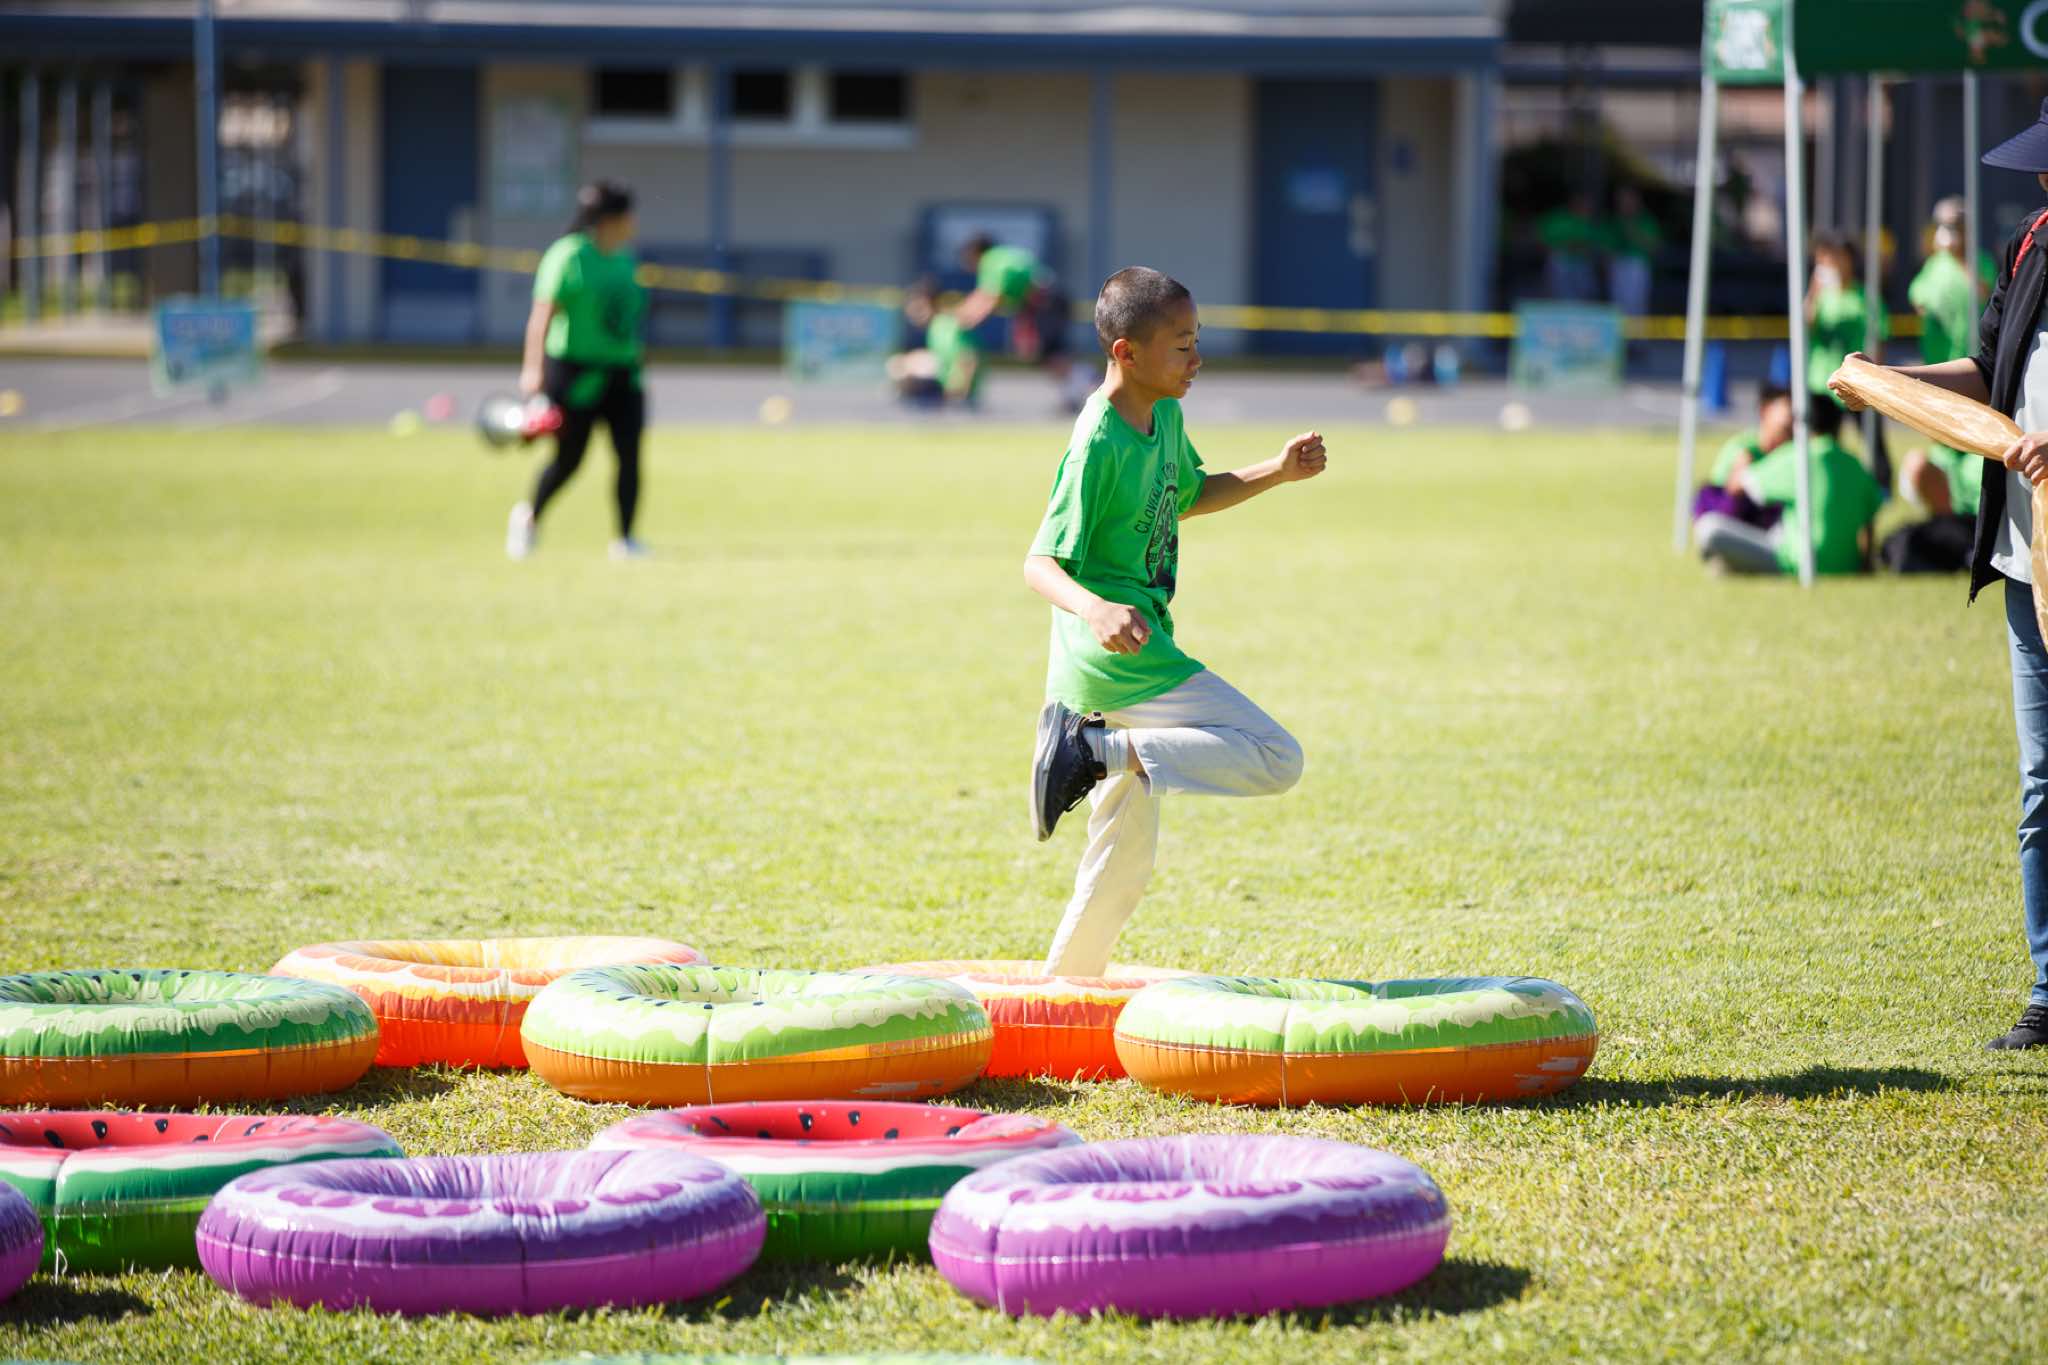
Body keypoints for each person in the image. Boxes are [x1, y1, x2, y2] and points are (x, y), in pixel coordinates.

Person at [1023, 267, 1324, 975]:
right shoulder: (1098, 440)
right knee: (1275, 755)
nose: (1197, 359)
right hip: (1117, 661)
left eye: (1197, 341)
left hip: (1131, 652)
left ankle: (1064, 992)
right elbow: (1038, 562)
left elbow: (1187, 495)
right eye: (1182, 345)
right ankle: (1092, 751)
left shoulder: (1163, 416)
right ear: (1127, 353)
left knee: (1121, 862)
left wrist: (1277, 471)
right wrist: (1095, 607)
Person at [1828, 95, 2048, 1049]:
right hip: (2028, 557)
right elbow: (1987, 368)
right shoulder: (2030, 245)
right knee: (2041, 785)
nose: (2042, 180)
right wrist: (1891, 383)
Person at [506, 180, 649, 562]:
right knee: (570, 459)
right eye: (628, 215)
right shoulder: (568, 256)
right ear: (609, 220)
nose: (634, 222)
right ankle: (529, 518)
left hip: (622, 373)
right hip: (574, 373)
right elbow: (541, 317)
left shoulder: (624, 258)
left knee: (629, 454)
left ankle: (626, 539)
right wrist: (532, 371)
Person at [1694, 395, 1883, 575]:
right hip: (1847, 565)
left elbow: (1739, 485)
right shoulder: (1855, 465)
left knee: (1709, 527)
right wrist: (1865, 564)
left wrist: (1743, 463)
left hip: (1797, 562)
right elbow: (1870, 519)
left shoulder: (1796, 457)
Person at [952, 234, 1091, 410]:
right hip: (1048, 300)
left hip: (1045, 303)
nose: (967, 264)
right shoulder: (1002, 256)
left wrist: (967, 319)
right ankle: (1076, 390)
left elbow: (991, 296)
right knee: (1046, 354)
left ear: (976, 253)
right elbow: (987, 295)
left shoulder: (991, 261)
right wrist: (966, 313)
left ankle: (1087, 382)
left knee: (1048, 353)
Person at [1903, 219, 1983, 518]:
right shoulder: (1933, 266)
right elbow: (1918, 300)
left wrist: (1963, 262)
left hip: (1975, 363)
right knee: (1944, 434)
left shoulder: (1979, 261)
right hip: (1941, 364)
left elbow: (1984, 291)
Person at [1806, 232, 1892, 489]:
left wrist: (1877, 378)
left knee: (1873, 442)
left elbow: (1879, 337)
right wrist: (1813, 291)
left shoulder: (1865, 297)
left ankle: (1882, 488)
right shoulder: (1821, 296)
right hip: (1822, 383)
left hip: (1857, 382)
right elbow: (1805, 326)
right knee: (1823, 445)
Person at [1693, 381, 1794, 528]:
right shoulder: (1741, 449)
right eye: (1787, 406)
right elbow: (1715, 503)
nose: (1793, 415)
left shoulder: (1795, 449)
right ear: (1765, 410)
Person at [886, 277, 983, 408]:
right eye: (911, 305)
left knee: (900, 365)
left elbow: (968, 359)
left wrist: (957, 396)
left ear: (932, 304)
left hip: (952, 394)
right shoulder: (936, 328)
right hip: (946, 391)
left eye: (919, 305)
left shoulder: (944, 327)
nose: (914, 310)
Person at [1602, 185, 1662, 321]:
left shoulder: (1646, 221)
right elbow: (1606, 248)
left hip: (1638, 266)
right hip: (1617, 266)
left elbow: (1655, 248)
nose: (1624, 203)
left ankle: (1637, 334)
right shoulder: (1613, 221)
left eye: (1628, 199)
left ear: (1637, 200)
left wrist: (1632, 229)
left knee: (1636, 305)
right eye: (1621, 200)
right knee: (1617, 305)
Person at [1538, 192, 1600, 302]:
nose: (1587, 208)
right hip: (1560, 263)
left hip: (1582, 264)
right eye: (1583, 204)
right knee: (1559, 295)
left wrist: (1580, 247)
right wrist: (1565, 247)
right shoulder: (1557, 219)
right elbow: (1542, 241)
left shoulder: (1590, 222)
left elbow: (1593, 246)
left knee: (1584, 296)